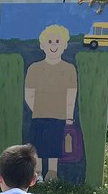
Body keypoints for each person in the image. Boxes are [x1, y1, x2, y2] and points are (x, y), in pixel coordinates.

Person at [24, 24, 78, 181]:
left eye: (57, 41)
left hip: (60, 116)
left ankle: (52, 172)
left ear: (64, 45)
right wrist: (39, 109)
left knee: (55, 144)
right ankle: (38, 171)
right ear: (42, 45)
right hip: (39, 115)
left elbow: (71, 95)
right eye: (49, 42)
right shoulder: (34, 69)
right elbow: (29, 94)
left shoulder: (69, 69)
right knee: (38, 144)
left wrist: (68, 116)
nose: (53, 46)